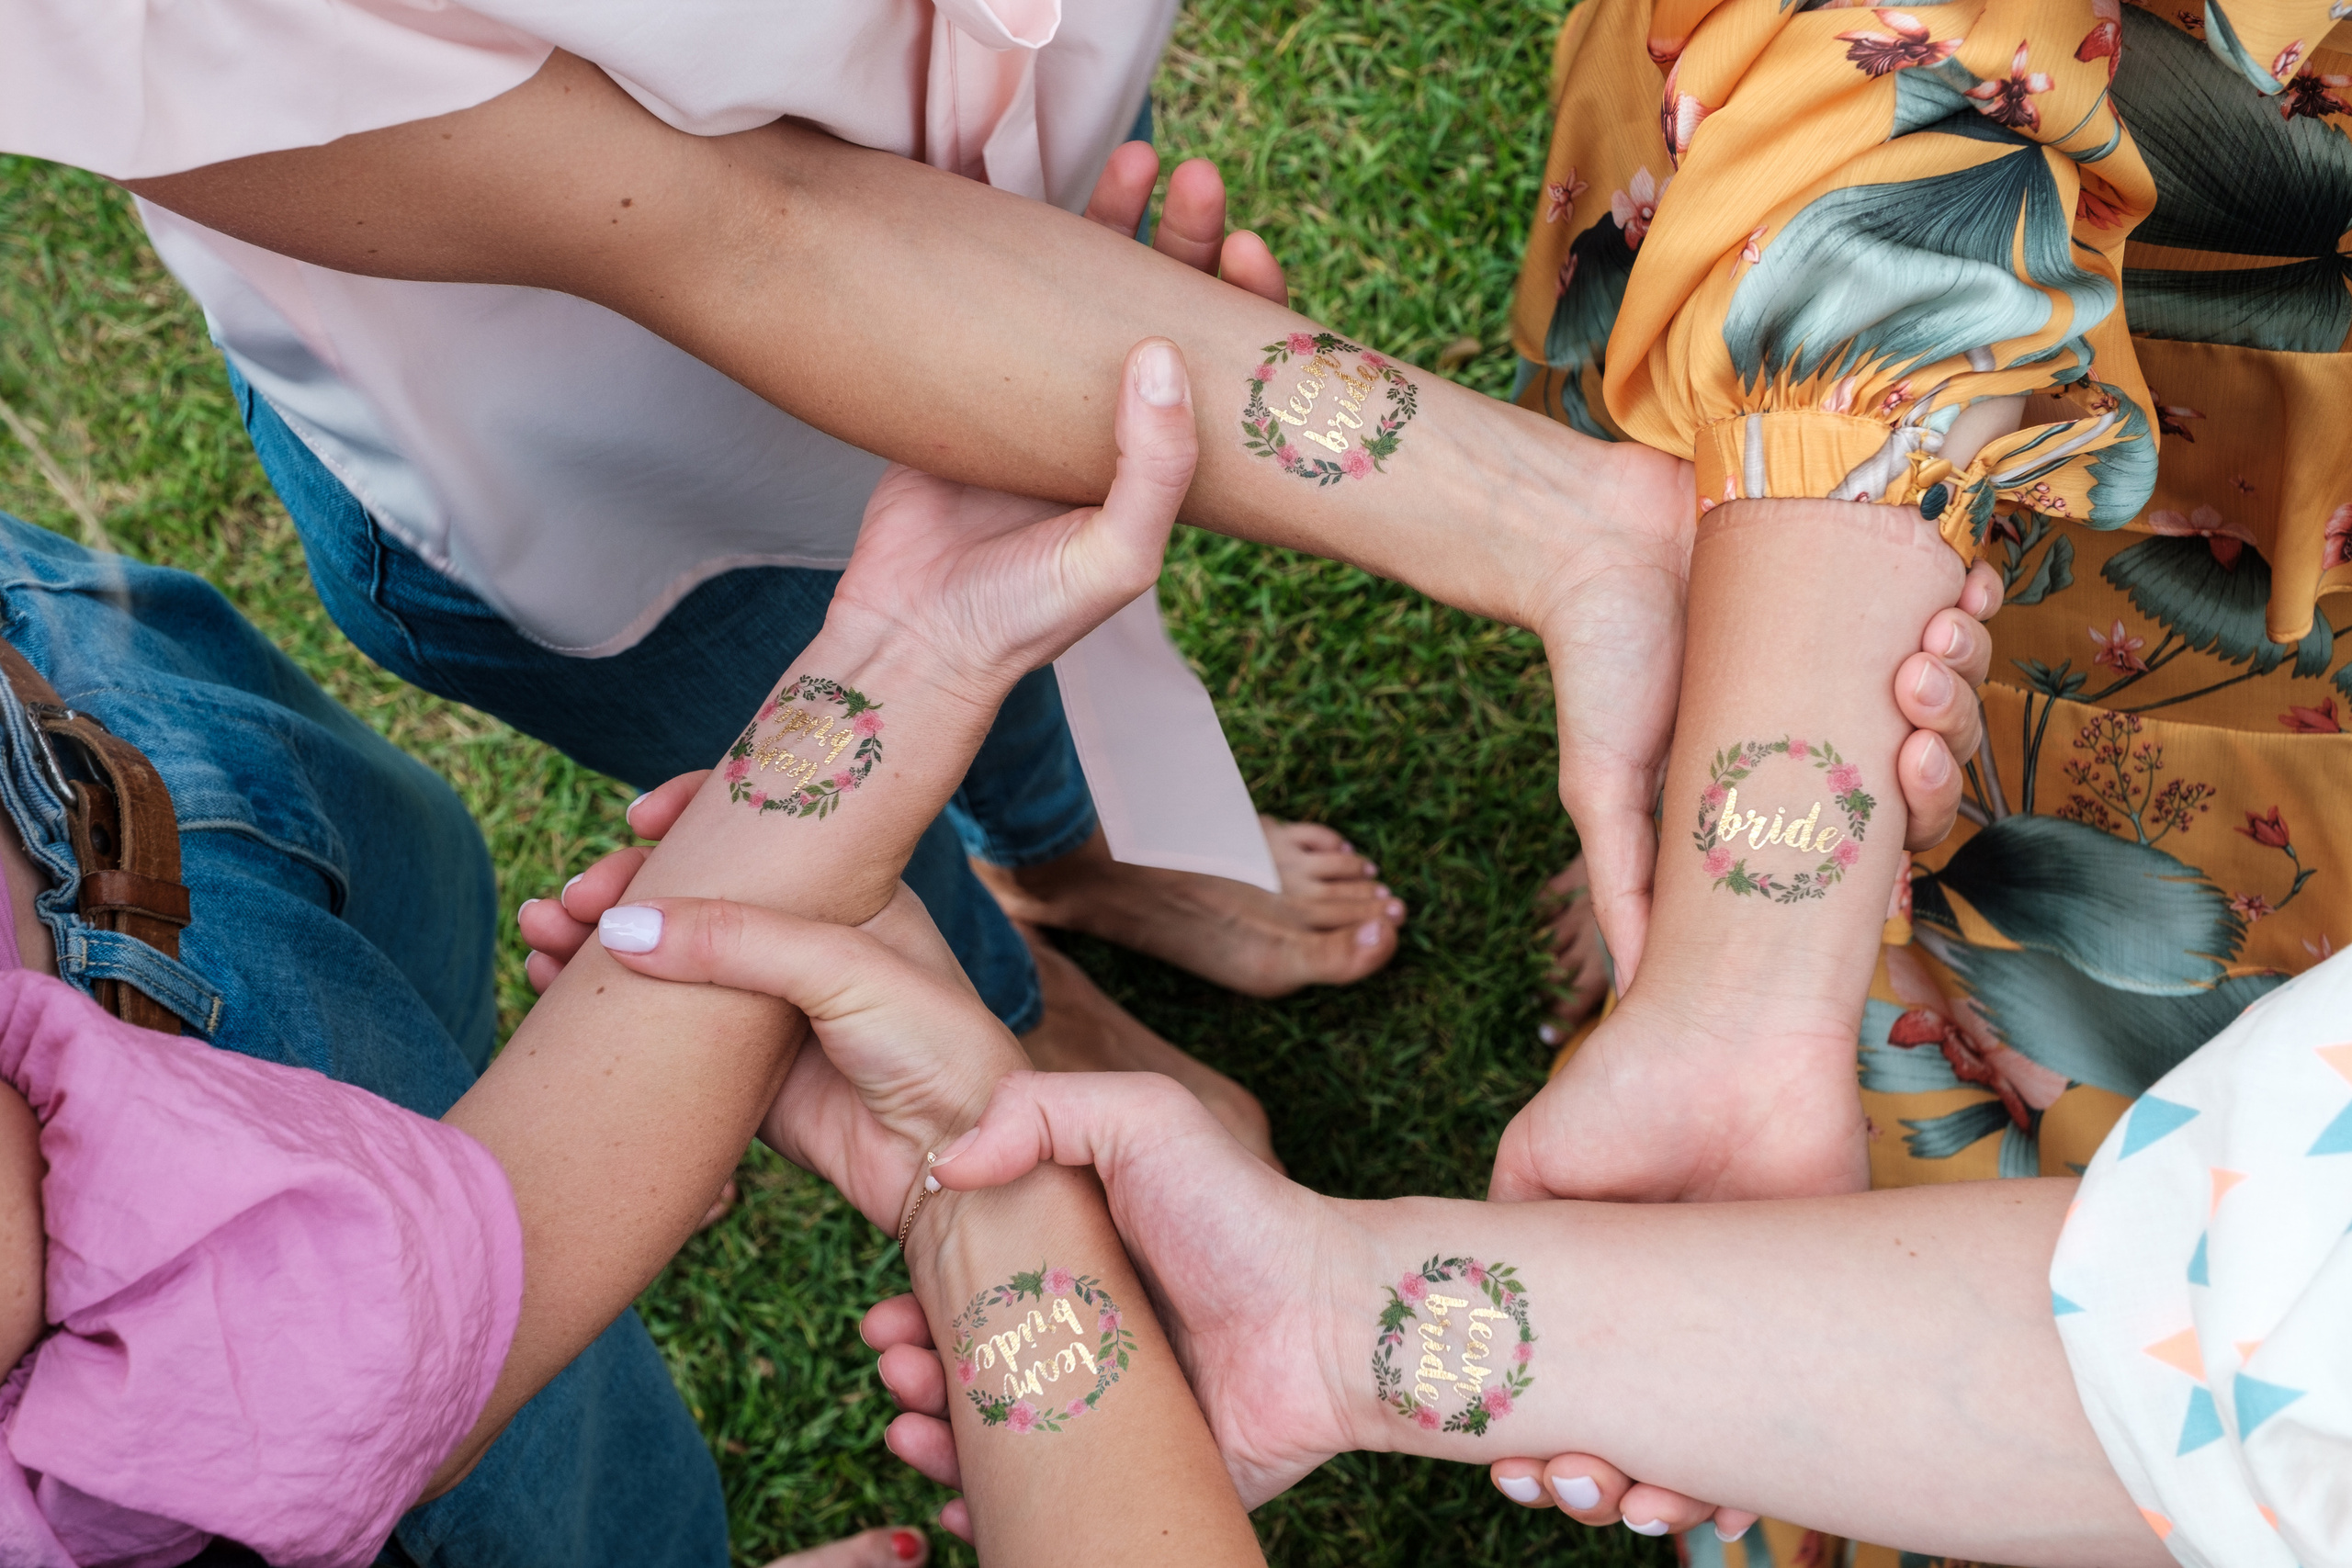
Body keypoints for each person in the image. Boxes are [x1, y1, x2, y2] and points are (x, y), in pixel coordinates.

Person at [0, 11, 1993, 1156]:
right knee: (803, 794)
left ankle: (1076, 856)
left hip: (998, 228)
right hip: (607, 491)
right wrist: (1552, 521)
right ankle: (1028, 1009)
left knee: (1033, 617)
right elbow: (744, 226)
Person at [0, 338, 1248, 1565]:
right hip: (202, 1349)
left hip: (71, 713)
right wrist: (906, 654)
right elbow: (344, 1363)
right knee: (575, 1498)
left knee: (429, 929)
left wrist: (587, 1111)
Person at [1492, 0, 2352, 1555]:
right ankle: (1745, 938)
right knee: (1868, 664)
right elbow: (1919, 73)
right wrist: (1744, 989)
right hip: (1917, 172)